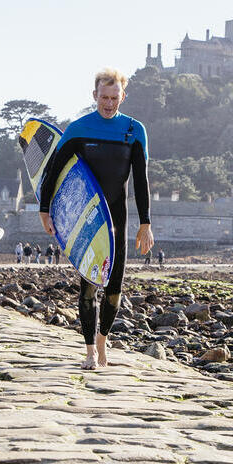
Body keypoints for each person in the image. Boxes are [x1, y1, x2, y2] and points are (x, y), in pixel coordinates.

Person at [39, 68, 153, 369]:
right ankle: (89, 350)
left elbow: (141, 180)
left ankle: (103, 343)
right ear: (95, 95)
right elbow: (54, 171)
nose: (109, 103)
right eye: (104, 97)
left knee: (114, 289)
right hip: (88, 220)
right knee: (88, 285)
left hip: (118, 217)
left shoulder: (134, 130)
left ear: (122, 97)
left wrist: (146, 223)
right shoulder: (78, 130)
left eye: (114, 97)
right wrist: (45, 210)